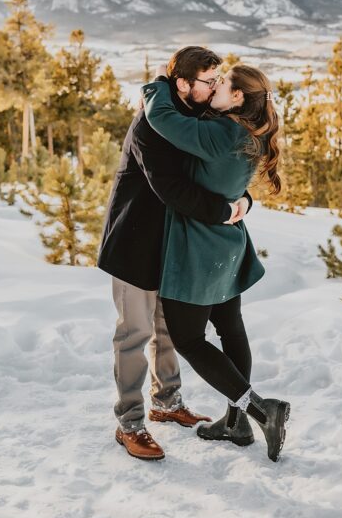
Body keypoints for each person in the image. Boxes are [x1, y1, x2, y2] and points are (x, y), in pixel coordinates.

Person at [99, 45, 253, 461]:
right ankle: (130, 423)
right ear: (183, 84)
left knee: (167, 330)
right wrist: (224, 212)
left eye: (218, 79)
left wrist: (243, 200)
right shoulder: (151, 125)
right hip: (135, 243)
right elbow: (173, 189)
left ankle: (166, 402)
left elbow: (216, 172)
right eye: (208, 81)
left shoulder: (195, 116)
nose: (215, 86)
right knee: (134, 334)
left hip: (174, 246)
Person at [141, 63, 291, 463]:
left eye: (222, 83)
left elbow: (162, 118)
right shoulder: (250, 132)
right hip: (228, 244)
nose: (217, 85)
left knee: (189, 339)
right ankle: (236, 423)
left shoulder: (222, 132)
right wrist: (244, 202)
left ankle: (261, 410)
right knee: (230, 328)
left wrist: (158, 84)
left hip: (200, 247)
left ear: (238, 96)